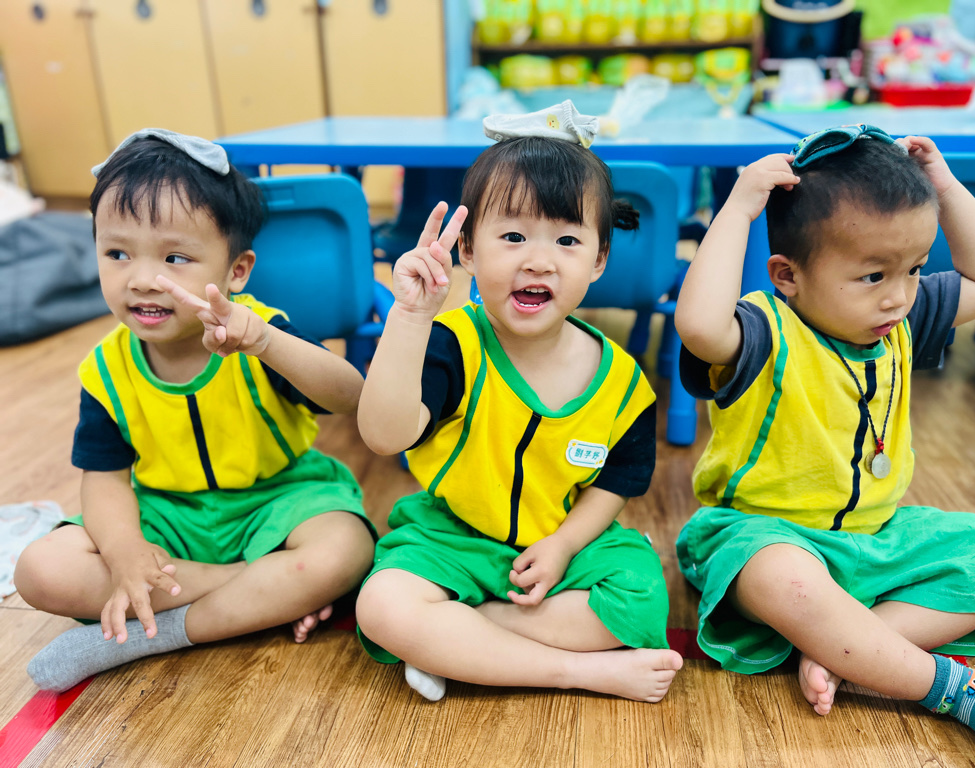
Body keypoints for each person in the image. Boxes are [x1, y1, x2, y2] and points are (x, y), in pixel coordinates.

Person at [674, 123, 975, 765]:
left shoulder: (901, 316)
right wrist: (738, 207)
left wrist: (944, 186)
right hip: (759, 538)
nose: (900, 294)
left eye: (915, 269)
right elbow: (697, 325)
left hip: (875, 540)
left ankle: (846, 648)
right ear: (788, 275)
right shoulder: (763, 331)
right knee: (787, 581)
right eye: (872, 276)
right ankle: (954, 692)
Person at [14, 129, 376, 692]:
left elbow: (351, 397)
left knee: (344, 549)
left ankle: (159, 633)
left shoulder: (259, 331)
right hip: (167, 517)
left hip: (279, 500)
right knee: (41, 570)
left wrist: (267, 345)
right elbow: (105, 480)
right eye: (117, 253)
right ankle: (261, 594)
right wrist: (126, 551)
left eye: (174, 257)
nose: (141, 280)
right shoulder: (105, 370)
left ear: (237, 271)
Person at [355, 103, 683, 703]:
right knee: (381, 604)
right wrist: (410, 317)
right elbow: (383, 435)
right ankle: (576, 671)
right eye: (512, 237)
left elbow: (617, 482)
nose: (538, 259)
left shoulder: (623, 381)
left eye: (567, 239)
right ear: (468, 252)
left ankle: (454, 640)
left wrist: (562, 546)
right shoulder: (452, 344)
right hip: (452, 539)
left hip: (562, 544)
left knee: (641, 597)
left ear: (598, 260)